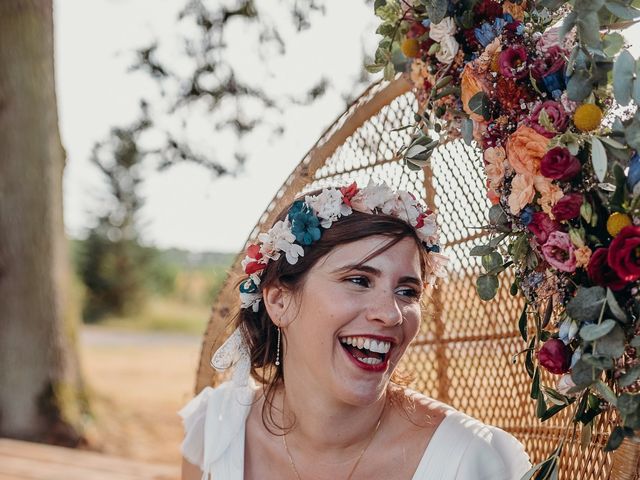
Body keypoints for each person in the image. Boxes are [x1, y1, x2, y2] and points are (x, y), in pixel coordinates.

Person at [179, 181, 531, 480]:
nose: (391, 314)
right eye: (359, 280)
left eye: (407, 291)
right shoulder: (216, 432)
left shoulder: (469, 463)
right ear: (278, 301)